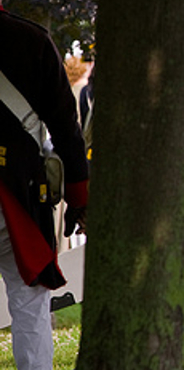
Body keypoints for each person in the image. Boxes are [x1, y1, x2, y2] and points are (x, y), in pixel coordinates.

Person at [0, 2, 89, 369]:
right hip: (20, 200)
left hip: (18, 198)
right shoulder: (31, 41)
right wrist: (79, 199)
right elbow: (67, 129)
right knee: (30, 307)